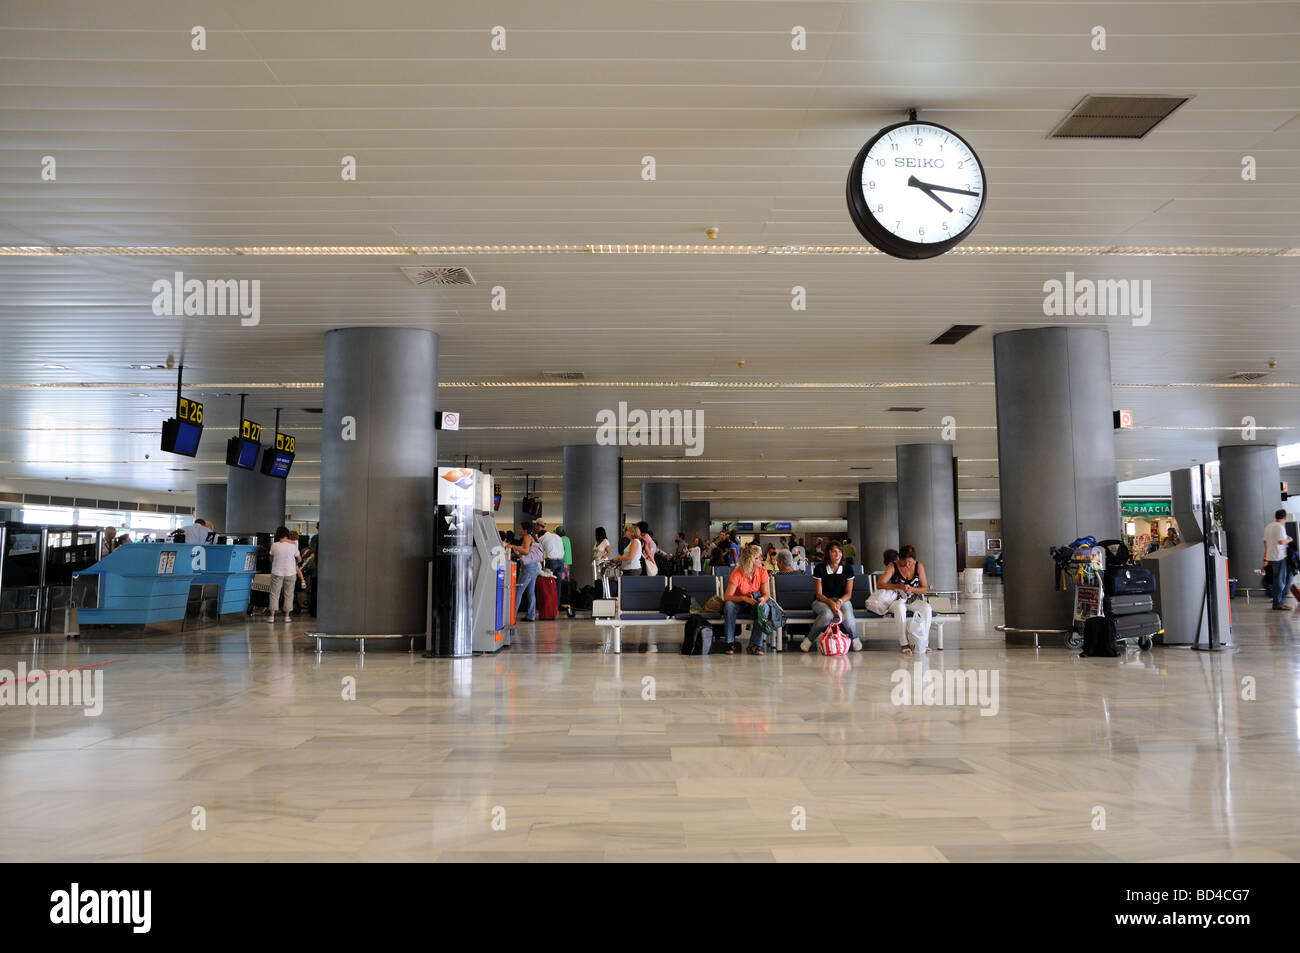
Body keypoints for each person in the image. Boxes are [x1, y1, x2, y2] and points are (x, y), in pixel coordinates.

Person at [868, 545, 933, 655]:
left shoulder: (919, 566)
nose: (908, 565)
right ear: (900, 559)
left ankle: (923, 642)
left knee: (927, 608)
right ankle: (904, 643)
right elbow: (880, 584)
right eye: (905, 562)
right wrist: (898, 586)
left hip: (912, 599)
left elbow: (924, 589)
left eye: (911, 562)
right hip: (896, 599)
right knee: (900, 607)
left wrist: (912, 589)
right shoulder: (893, 566)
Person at [722, 543, 784, 655]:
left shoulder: (762, 571)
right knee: (729, 605)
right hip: (739, 603)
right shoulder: (738, 572)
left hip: (754, 602)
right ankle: (729, 642)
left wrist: (763, 600)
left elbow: (766, 594)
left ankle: (754, 645)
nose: (761, 559)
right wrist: (743, 598)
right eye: (757, 557)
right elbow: (727, 597)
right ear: (750, 560)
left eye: (761, 556)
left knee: (764, 607)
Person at [803, 540, 860, 653]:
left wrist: (838, 602)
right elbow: (819, 594)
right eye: (834, 551)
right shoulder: (820, 569)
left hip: (842, 600)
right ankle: (809, 640)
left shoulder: (848, 569)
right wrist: (830, 603)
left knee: (848, 615)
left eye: (839, 551)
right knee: (827, 614)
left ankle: (855, 638)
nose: (837, 554)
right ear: (828, 553)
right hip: (822, 601)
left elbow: (848, 594)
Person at [507, 521, 543, 621]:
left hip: (528, 569)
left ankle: (512, 616)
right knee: (530, 592)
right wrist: (516, 553)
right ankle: (531, 615)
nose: (518, 530)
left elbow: (526, 551)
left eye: (520, 528)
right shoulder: (531, 537)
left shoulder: (527, 537)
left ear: (525, 530)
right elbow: (526, 552)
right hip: (534, 567)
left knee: (518, 591)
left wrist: (513, 546)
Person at [266, 528, 301, 624]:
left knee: (274, 594)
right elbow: (299, 558)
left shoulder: (274, 545)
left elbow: (271, 558)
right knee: (289, 594)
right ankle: (287, 617)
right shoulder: (293, 545)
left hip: (277, 571)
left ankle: (272, 616)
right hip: (290, 572)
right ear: (287, 535)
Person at [1263, 509, 1294, 610]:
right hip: (1279, 557)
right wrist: (1289, 539)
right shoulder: (1280, 527)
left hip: (1271, 556)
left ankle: (1277, 601)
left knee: (1277, 580)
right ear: (1284, 518)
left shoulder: (1268, 526)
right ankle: (1278, 603)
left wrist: (1266, 557)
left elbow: (1265, 542)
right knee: (1279, 581)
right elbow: (1281, 542)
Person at [557, 526, 574, 601]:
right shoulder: (567, 538)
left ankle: (562, 599)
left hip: (563, 561)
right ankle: (567, 598)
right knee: (567, 581)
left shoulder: (560, 539)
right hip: (568, 562)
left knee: (562, 582)